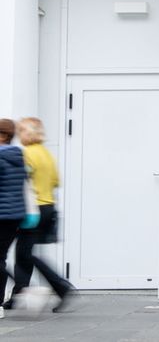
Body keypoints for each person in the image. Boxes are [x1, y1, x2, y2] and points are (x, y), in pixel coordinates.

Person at [7, 118, 75, 314]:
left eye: (20, 132)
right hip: (48, 207)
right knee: (24, 254)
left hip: (32, 209)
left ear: (25, 133)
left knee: (25, 254)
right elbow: (56, 181)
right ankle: (17, 297)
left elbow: (22, 183)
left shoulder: (26, 154)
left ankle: (61, 286)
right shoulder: (46, 154)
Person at [0, 118, 35, 319]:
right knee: (1, 258)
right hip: (14, 215)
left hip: (2, 214)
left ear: (3, 135)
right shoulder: (18, 156)